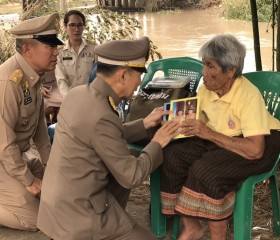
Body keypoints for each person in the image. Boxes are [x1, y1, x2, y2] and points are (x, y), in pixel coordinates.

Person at [37, 36, 179, 240]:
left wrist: (145, 123)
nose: (139, 83)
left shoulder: (78, 94)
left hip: (56, 207)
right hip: (79, 215)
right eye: (138, 74)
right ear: (122, 76)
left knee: (124, 154)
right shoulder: (103, 114)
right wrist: (158, 141)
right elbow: (132, 176)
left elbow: (102, 136)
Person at [160, 34, 280, 240]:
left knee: (206, 172)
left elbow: (255, 150)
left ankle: (220, 237)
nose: (203, 73)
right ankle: (192, 227)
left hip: (260, 141)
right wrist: (182, 124)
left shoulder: (248, 96)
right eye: (203, 65)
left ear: (230, 71)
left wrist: (206, 132)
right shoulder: (207, 88)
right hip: (220, 136)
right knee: (171, 156)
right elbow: (205, 119)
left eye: (210, 66)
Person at [0, 13, 64, 231]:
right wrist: (28, 180)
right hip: (3, 157)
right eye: (49, 47)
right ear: (27, 50)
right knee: (35, 221)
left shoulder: (33, 77)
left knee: (53, 189)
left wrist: (50, 165)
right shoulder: (8, 82)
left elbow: (40, 133)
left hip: (17, 155)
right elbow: (4, 143)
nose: (56, 52)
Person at [55, 9, 96, 97]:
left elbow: (99, 75)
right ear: (65, 27)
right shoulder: (60, 52)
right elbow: (61, 80)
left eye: (79, 25)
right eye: (72, 25)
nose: (76, 29)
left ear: (83, 26)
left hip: (91, 95)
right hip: (69, 96)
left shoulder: (93, 48)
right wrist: (70, 100)